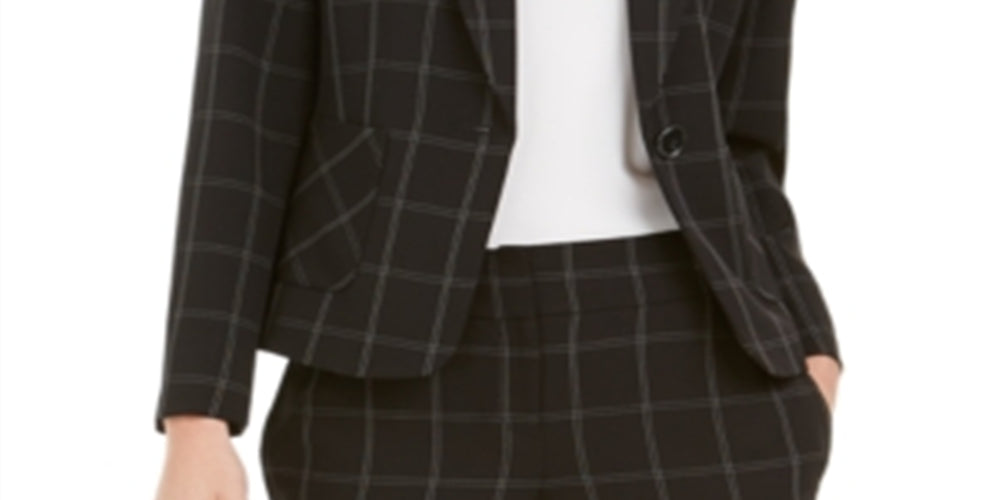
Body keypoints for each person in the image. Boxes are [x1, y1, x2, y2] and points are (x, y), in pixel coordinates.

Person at [154, 0, 843, 498]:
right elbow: (242, 126)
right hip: (386, 347)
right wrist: (199, 416)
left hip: (691, 346)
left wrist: (811, 340)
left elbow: (743, 139)